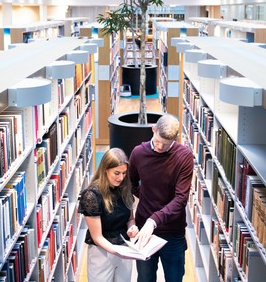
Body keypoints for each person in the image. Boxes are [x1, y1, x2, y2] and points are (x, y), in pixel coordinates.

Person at [130, 114, 195, 282]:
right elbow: (130, 184)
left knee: (174, 278)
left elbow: (180, 199)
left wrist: (154, 220)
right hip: (144, 230)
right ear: (153, 129)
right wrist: (145, 197)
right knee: (144, 279)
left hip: (172, 232)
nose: (159, 147)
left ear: (175, 139)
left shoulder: (184, 157)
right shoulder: (138, 153)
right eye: (157, 141)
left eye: (165, 144)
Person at [78, 148, 139, 281]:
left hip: (124, 249)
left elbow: (130, 218)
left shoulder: (124, 188)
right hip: (102, 253)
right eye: (116, 173)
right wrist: (117, 251)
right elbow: (97, 237)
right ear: (105, 170)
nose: (121, 178)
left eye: (124, 173)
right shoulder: (91, 195)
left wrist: (132, 228)